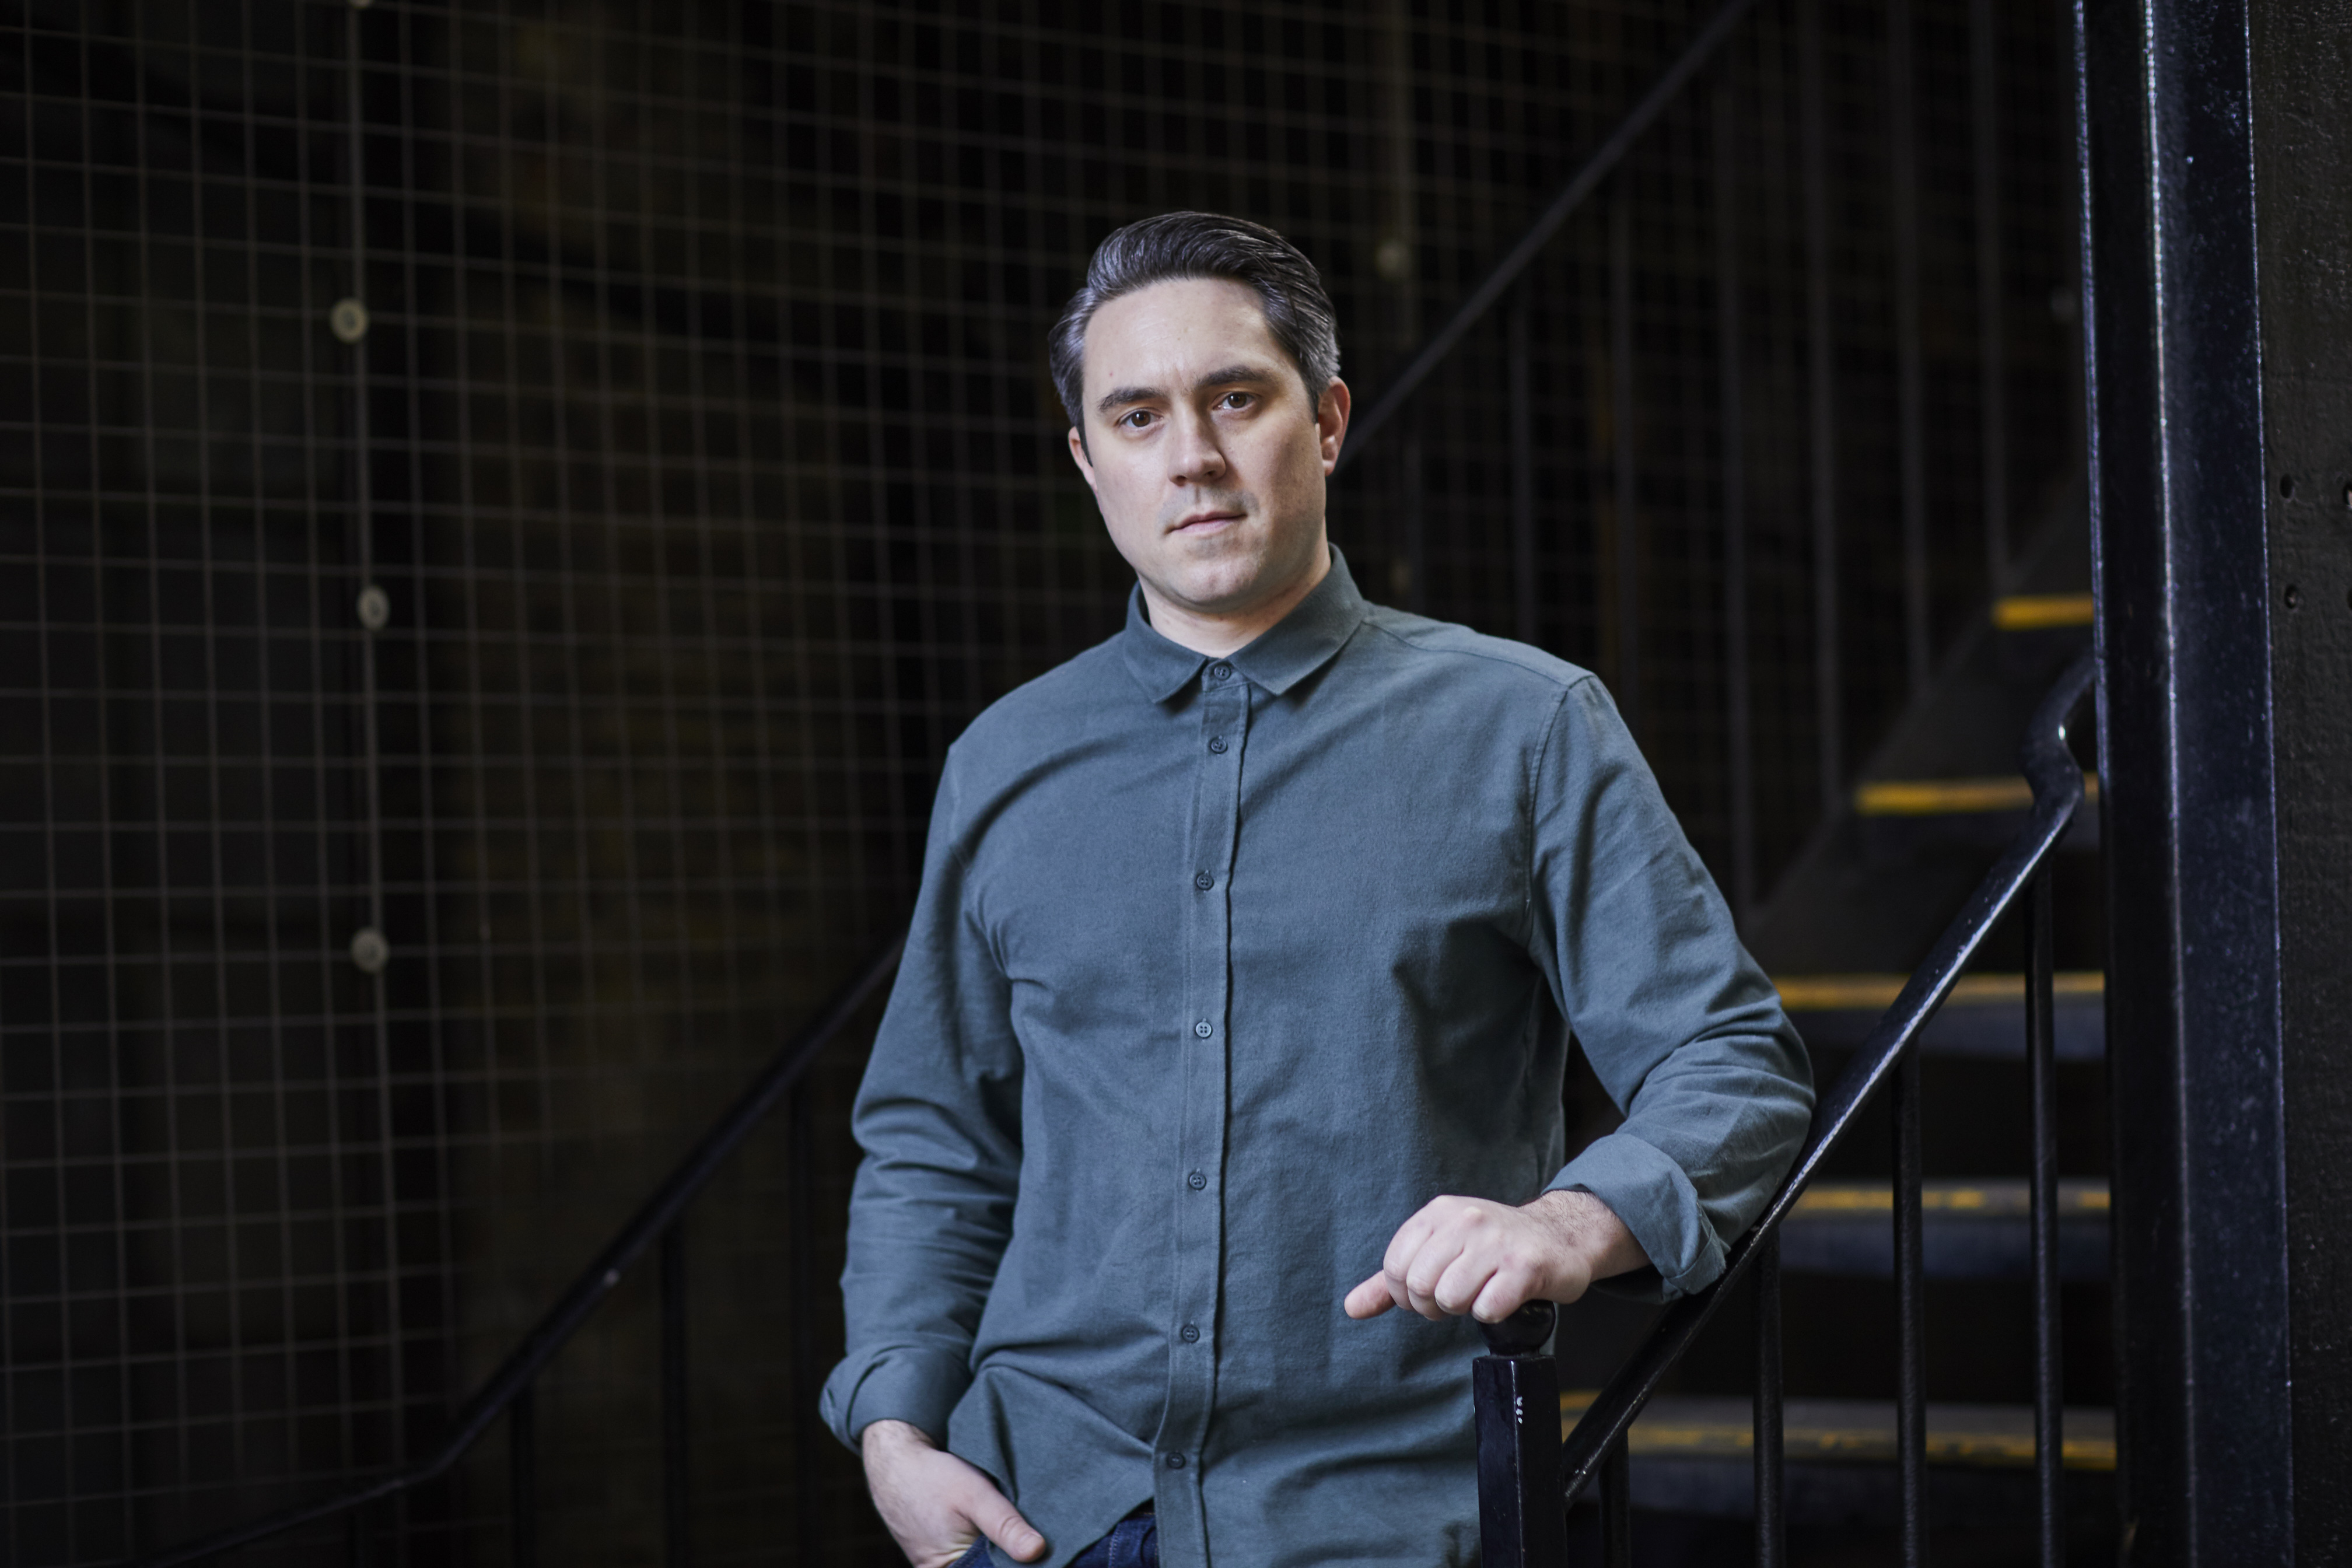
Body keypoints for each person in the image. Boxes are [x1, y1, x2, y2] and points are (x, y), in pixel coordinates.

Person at [820, 212, 1812, 1568]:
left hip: (1375, 1522)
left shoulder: (1523, 728)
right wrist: (894, 1434)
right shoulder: (1003, 763)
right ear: (1089, 463)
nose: (1192, 456)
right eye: (1137, 417)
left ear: (1329, 421)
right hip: (1041, 1511)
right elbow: (935, 1140)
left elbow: (1733, 1060)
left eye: (1237, 399)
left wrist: (1569, 1225)